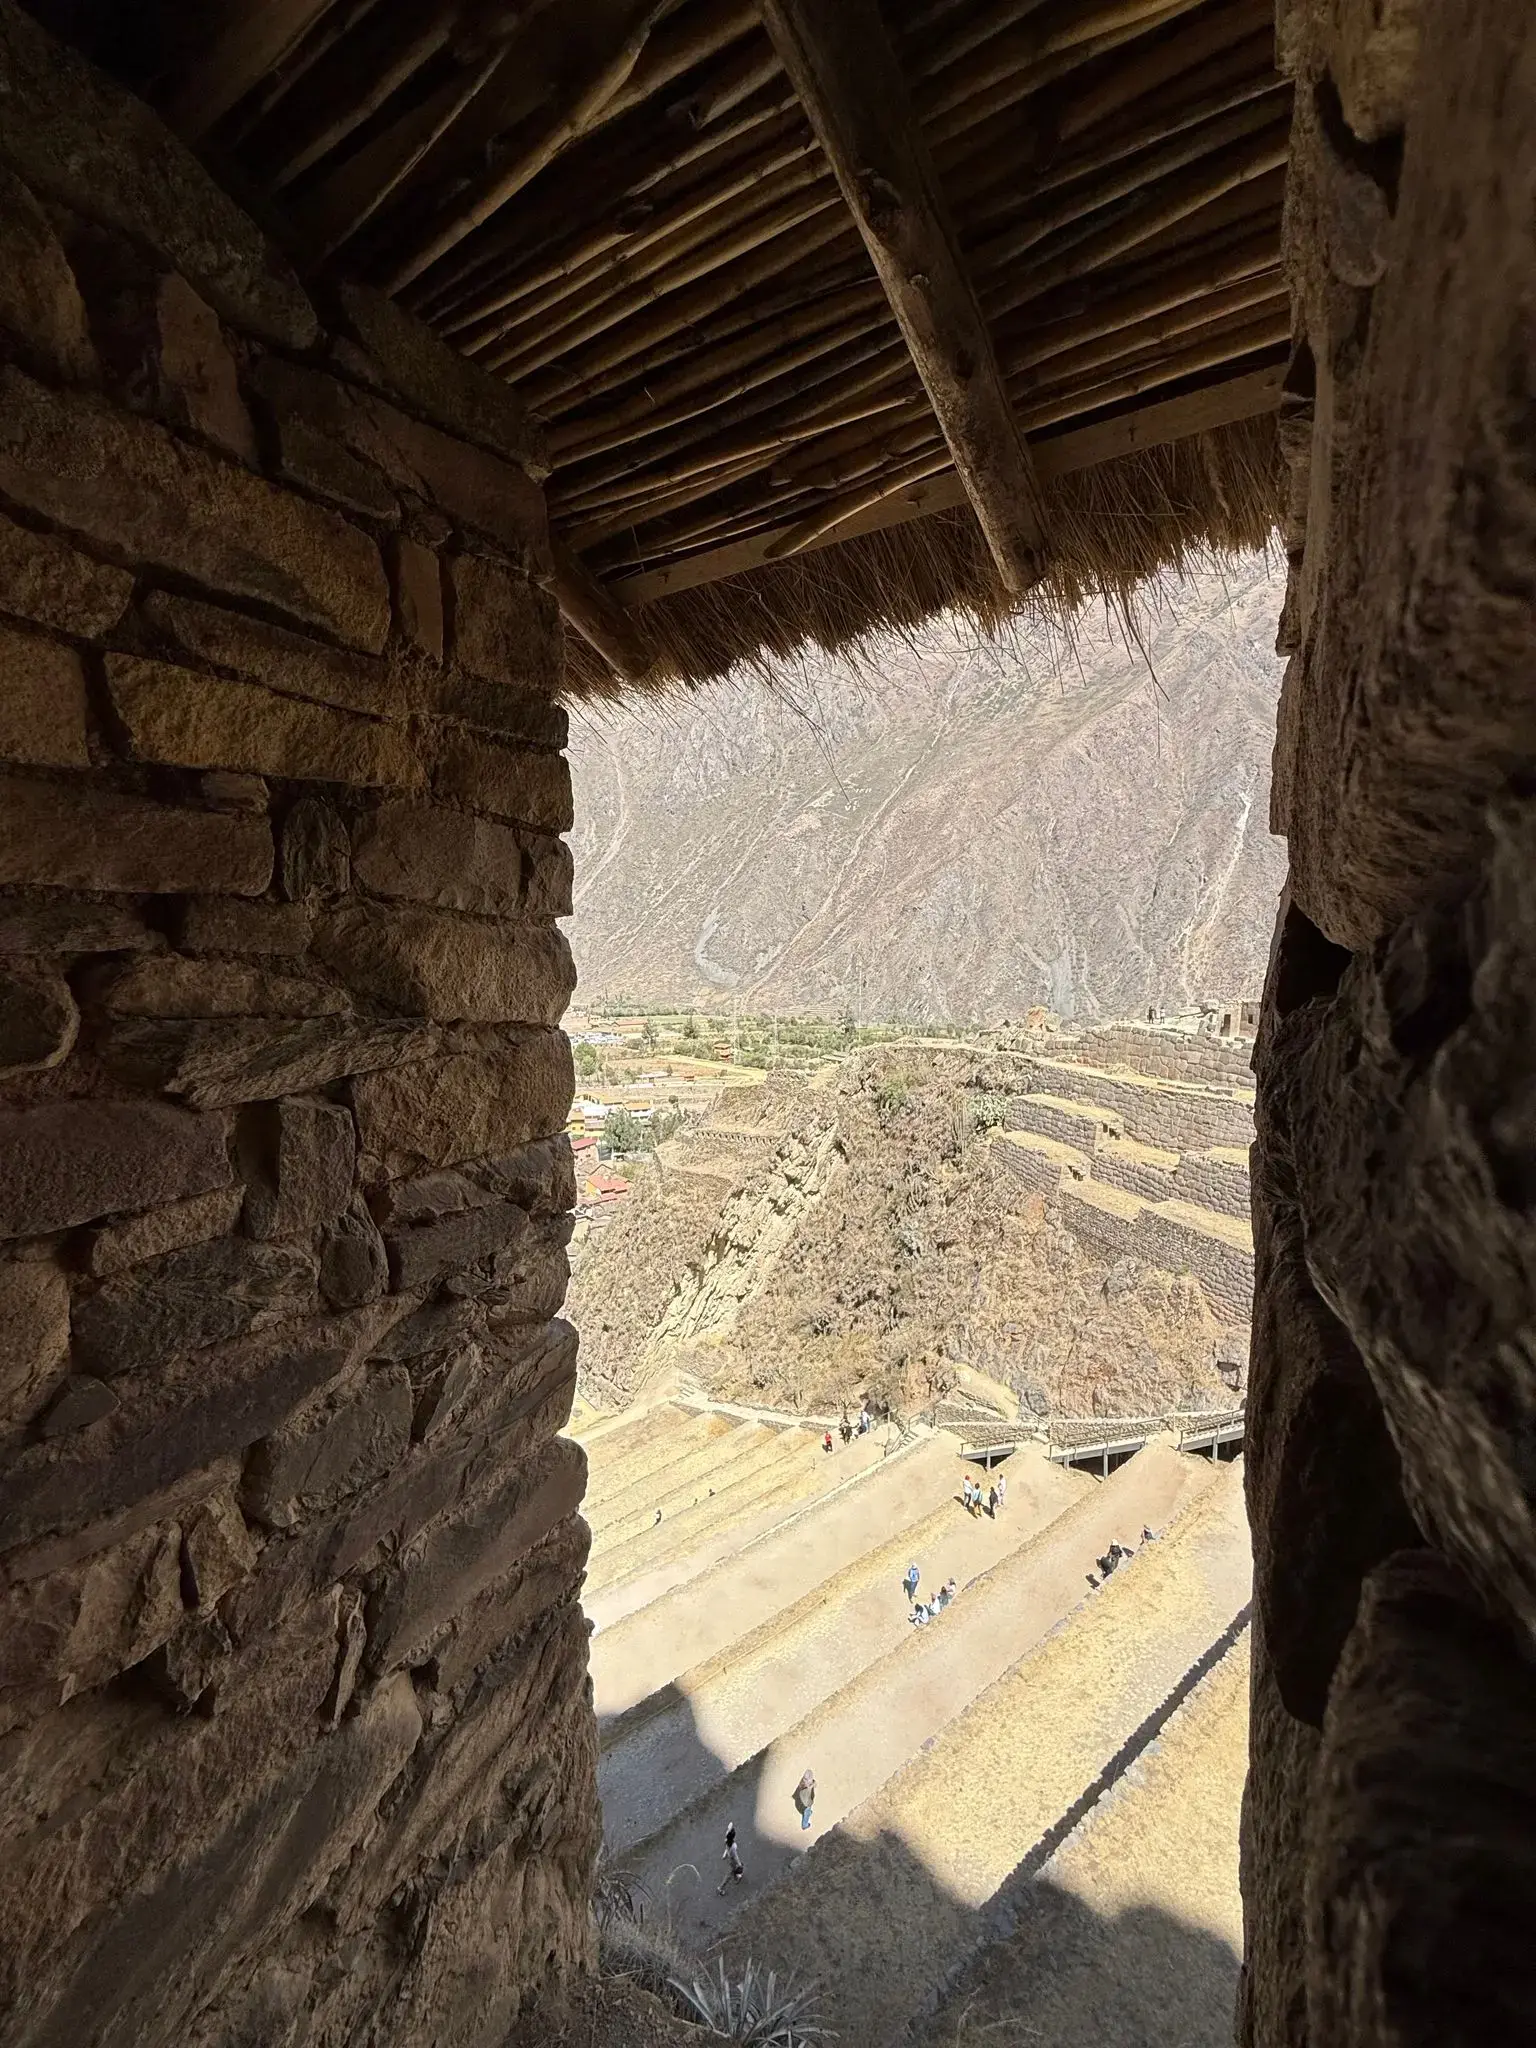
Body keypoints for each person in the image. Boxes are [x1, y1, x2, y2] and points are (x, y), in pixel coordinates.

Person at [717, 1820, 745, 1894]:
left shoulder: (727, 1838)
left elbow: (729, 1827)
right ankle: (721, 1888)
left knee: (735, 1868)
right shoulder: (733, 1847)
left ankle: (736, 1874)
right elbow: (735, 1856)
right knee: (732, 1872)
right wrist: (739, 1863)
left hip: (729, 1856)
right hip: (732, 1860)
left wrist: (730, 1827)